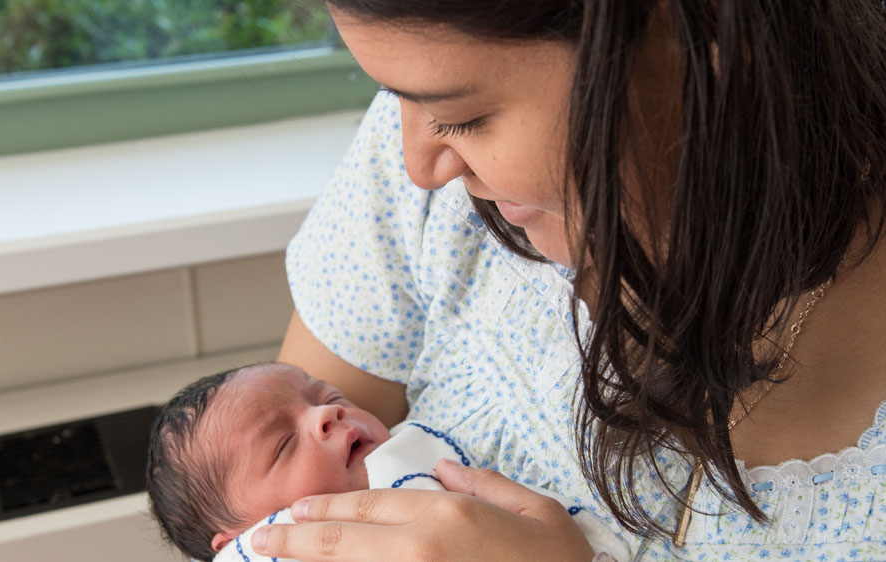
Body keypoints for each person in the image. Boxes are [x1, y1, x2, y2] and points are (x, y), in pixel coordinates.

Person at [249, 1, 886, 561]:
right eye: (394, 98)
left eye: (466, 117)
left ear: (701, 35)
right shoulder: (422, 177)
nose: (418, 165)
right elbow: (258, 511)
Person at [145, 363, 630, 562]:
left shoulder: (420, 455)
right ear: (238, 540)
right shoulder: (263, 550)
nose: (325, 414)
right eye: (282, 446)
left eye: (328, 396)